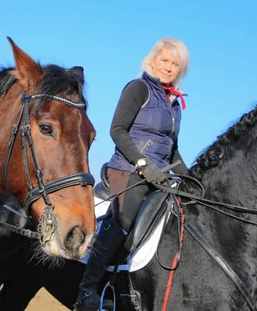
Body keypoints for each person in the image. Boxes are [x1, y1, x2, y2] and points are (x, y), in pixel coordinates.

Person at [74, 38, 190, 311]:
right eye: (165, 61)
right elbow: (117, 129)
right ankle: (87, 290)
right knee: (125, 217)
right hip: (127, 168)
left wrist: (194, 178)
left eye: (175, 64)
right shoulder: (138, 88)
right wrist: (141, 163)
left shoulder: (174, 104)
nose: (169, 67)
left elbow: (172, 150)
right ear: (152, 61)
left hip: (159, 175)